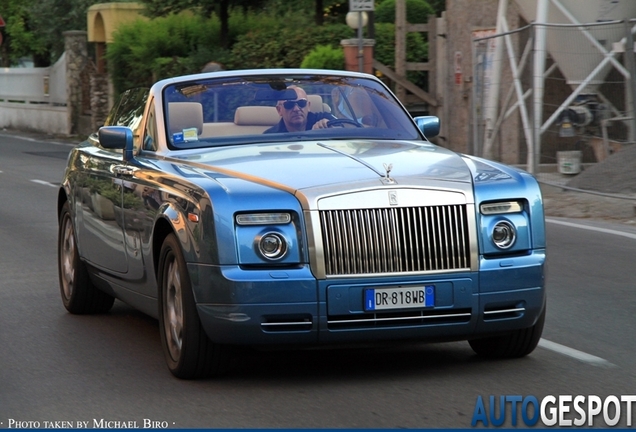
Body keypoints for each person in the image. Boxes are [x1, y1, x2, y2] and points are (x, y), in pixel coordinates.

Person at [264, 86, 334, 133]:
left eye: (301, 103)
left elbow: (343, 127)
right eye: (289, 105)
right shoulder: (270, 136)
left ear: (308, 106)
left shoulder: (323, 119)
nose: (296, 109)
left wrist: (330, 126)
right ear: (279, 110)